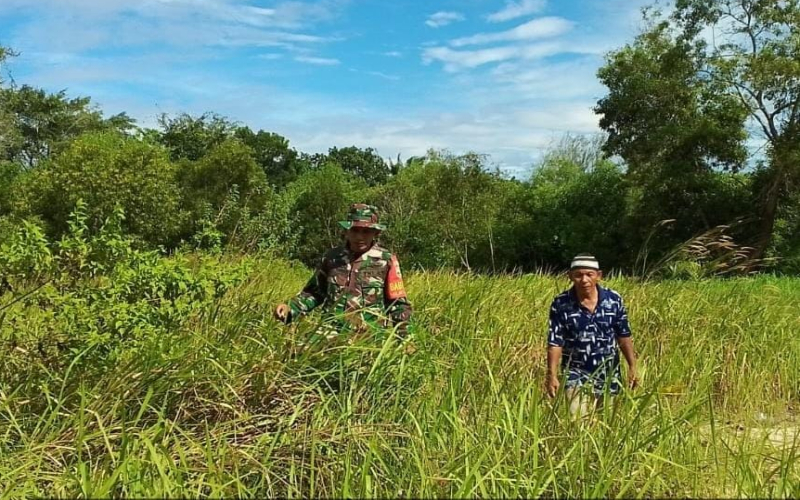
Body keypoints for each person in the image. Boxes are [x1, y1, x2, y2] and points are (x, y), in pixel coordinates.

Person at [274, 203, 412, 341]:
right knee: (295, 354)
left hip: (369, 335)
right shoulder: (332, 258)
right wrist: (290, 308)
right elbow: (314, 292)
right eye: (355, 230)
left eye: (366, 231)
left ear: (376, 233)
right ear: (346, 231)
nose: (359, 237)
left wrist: (406, 339)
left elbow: (398, 304)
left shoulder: (386, 261)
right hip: (330, 331)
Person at [545, 254, 639, 418]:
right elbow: (555, 341)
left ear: (599, 276)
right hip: (575, 373)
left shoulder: (613, 300)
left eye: (589, 274)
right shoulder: (561, 303)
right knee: (576, 423)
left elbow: (623, 335)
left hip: (609, 373)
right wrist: (551, 375)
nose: (584, 280)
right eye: (578, 275)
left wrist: (632, 366)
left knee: (607, 424)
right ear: (570, 276)